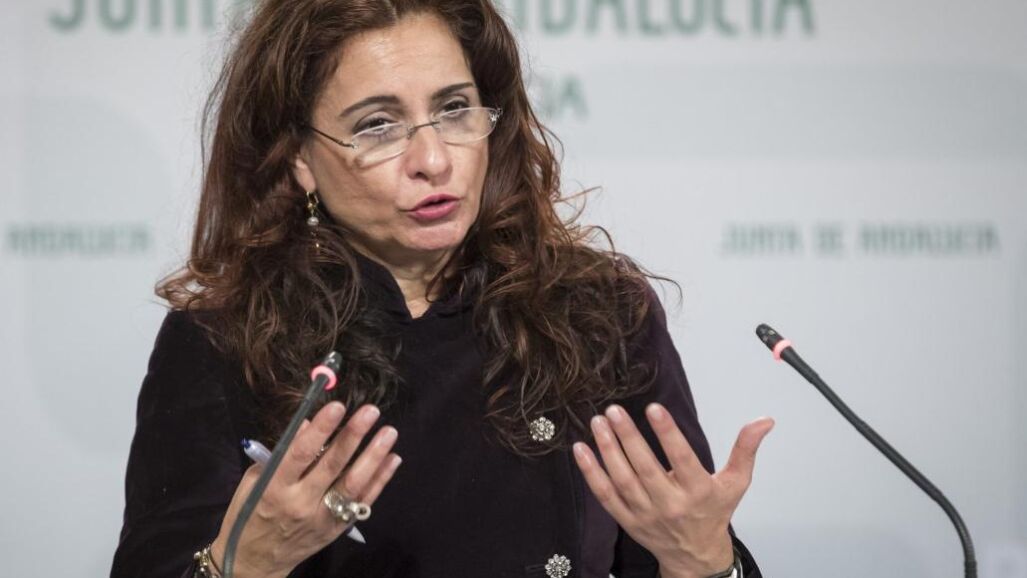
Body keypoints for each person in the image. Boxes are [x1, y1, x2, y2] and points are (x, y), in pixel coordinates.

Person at [110, 1, 774, 577]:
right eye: (377, 125)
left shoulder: (597, 313)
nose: (432, 160)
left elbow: (679, 553)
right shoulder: (226, 340)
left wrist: (706, 564)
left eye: (454, 110)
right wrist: (245, 566)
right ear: (299, 159)